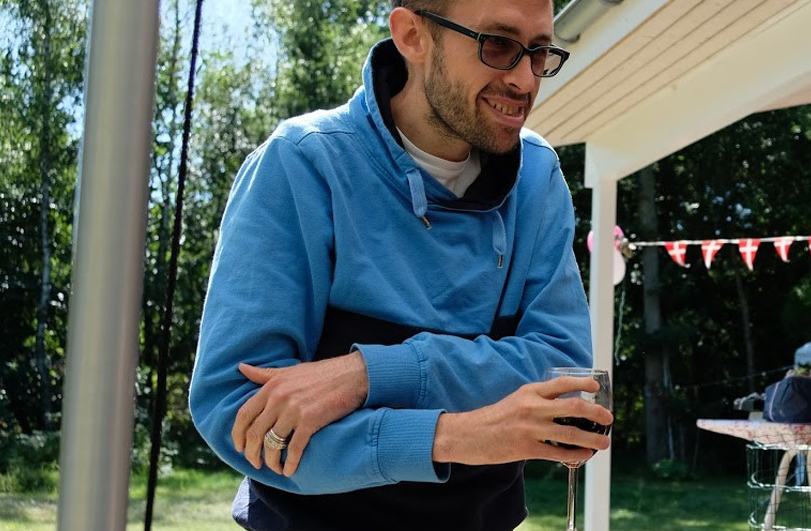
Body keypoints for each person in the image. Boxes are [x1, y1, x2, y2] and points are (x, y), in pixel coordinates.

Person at [188, 0, 613, 529]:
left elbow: (566, 379)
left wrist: (369, 374)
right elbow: (238, 410)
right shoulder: (302, 163)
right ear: (412, 35)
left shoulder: (538, 177)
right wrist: (451, 436)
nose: (526, 80)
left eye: (540, 51)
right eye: (499, 45)